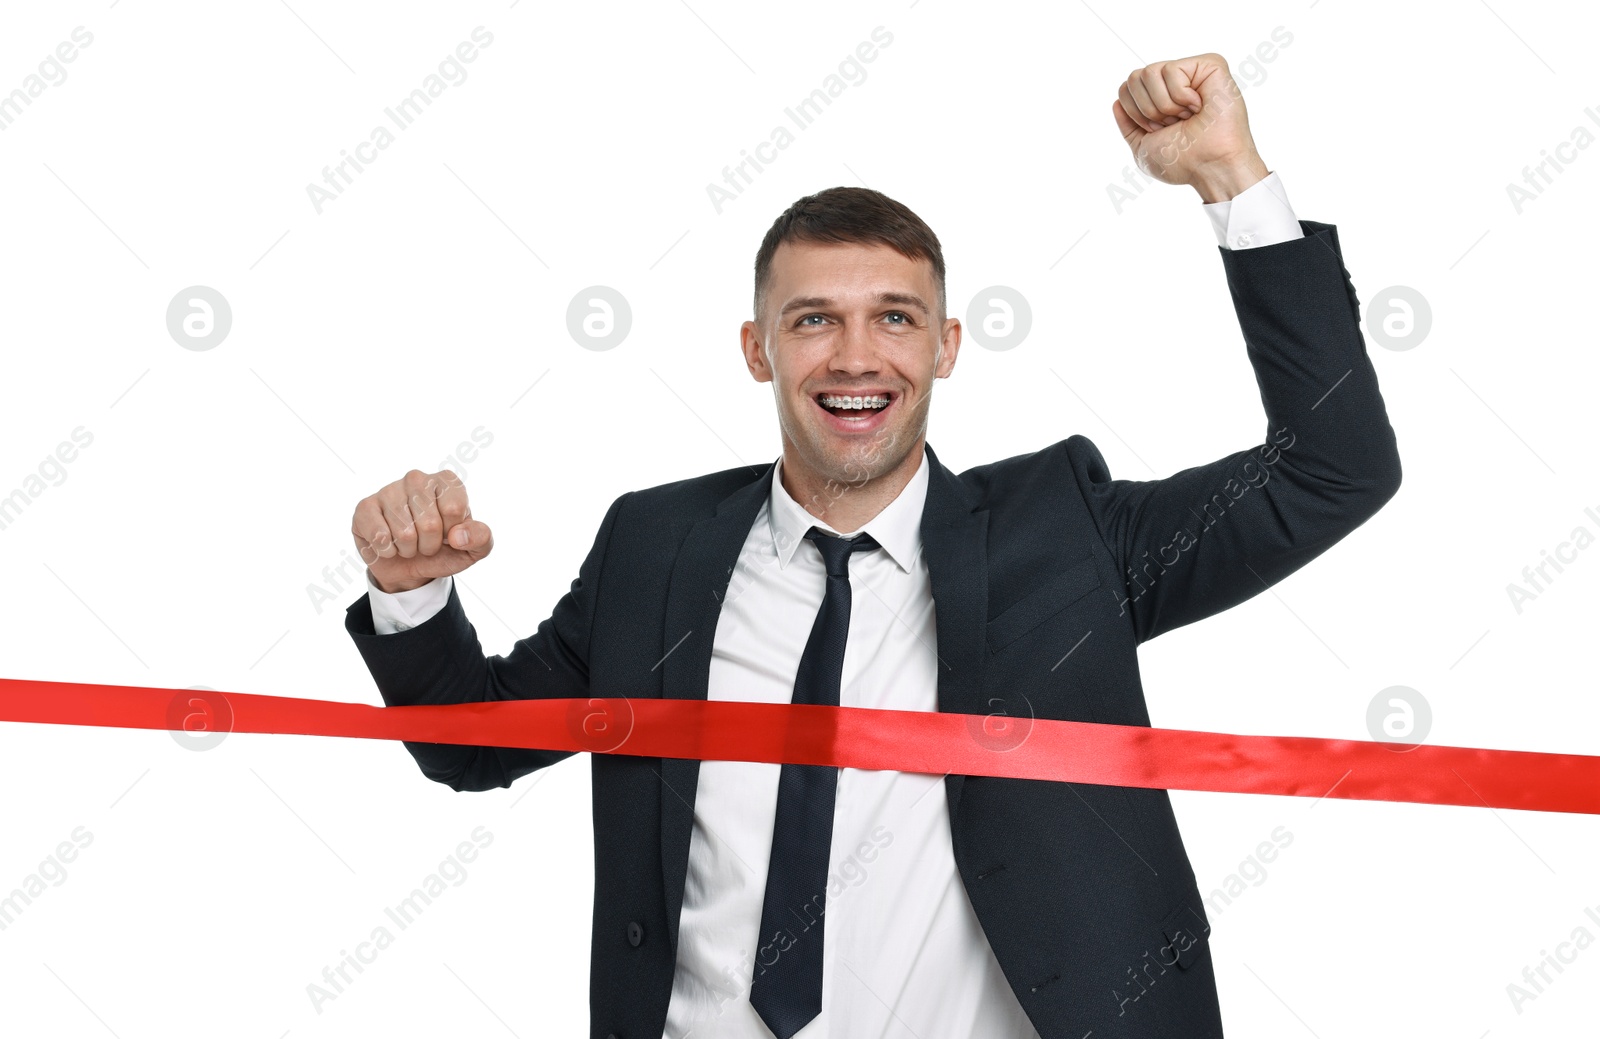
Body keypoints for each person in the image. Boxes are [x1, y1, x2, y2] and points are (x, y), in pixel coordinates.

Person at [344, 53, 1401, 1039]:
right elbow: (472, 742)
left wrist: (1229, 179)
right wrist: (409, 597)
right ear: (757, 350)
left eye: (895, 318)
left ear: (944, 346)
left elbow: (1332, 470)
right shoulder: (654, 545)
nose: (857, 356)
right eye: (812, 320)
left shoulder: (1064, 534)